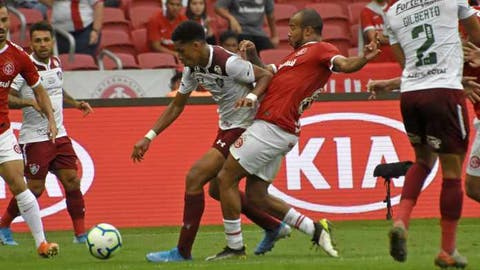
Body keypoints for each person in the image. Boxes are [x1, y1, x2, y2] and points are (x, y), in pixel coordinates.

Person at [206, 8, 379, 261]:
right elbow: (267, 75)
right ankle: (314, 229)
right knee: (256, 195)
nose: (289, 32)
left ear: (308, 30)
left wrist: (363, 58)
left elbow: (344, 64)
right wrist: (253, 55)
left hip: (271, 126)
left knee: (225, 178)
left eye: (294, 27)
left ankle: (234, 247)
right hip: (282, 131)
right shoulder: (293, 58)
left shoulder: (320, 49)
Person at [131, 20, 292, 263]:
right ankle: (273, 227)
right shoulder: (192, 69)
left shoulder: (227, 62)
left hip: (245, 125)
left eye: (182, 51)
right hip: (227, 127)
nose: (179, 58)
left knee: (194, 177)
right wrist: (149, 136)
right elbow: (177, 105)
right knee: (217, 189)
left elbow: (266, 75)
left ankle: (183, 252)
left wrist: (250, 97)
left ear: (196, 45)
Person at [368, 1, 480, 268]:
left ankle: (401, 221)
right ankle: (447, 250)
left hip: (411, 95)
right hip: (444, 92)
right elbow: (476, 36)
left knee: (422, 161)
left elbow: (407, 64)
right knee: (451, 174)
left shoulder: (393, 11)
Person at [0, 21, 93, 246]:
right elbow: (6, 97)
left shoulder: (55, 62)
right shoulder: (23, 65)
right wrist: (29, 102)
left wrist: (75, 103)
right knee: (35, 188)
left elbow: (56, 88)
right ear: (31, 43)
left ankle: (80, 235)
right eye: (38, 41)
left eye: (46, 40)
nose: (42, 45)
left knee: (72, 181)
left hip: (59, 134)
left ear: (52, 41)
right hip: (34, 137)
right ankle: (4, 225)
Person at [0, 3, 58, 257]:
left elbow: (39, 89)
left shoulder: (18, 56)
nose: (1, 26)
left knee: (20, 186)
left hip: (2, 133)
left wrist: (51, 119)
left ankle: (41, 244)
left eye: (3, 20)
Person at [40, 0, 104, 57]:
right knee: (62, 62)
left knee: (81, 62)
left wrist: (95, 30)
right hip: (59, 32)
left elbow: (98, 4)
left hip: (83, 31)